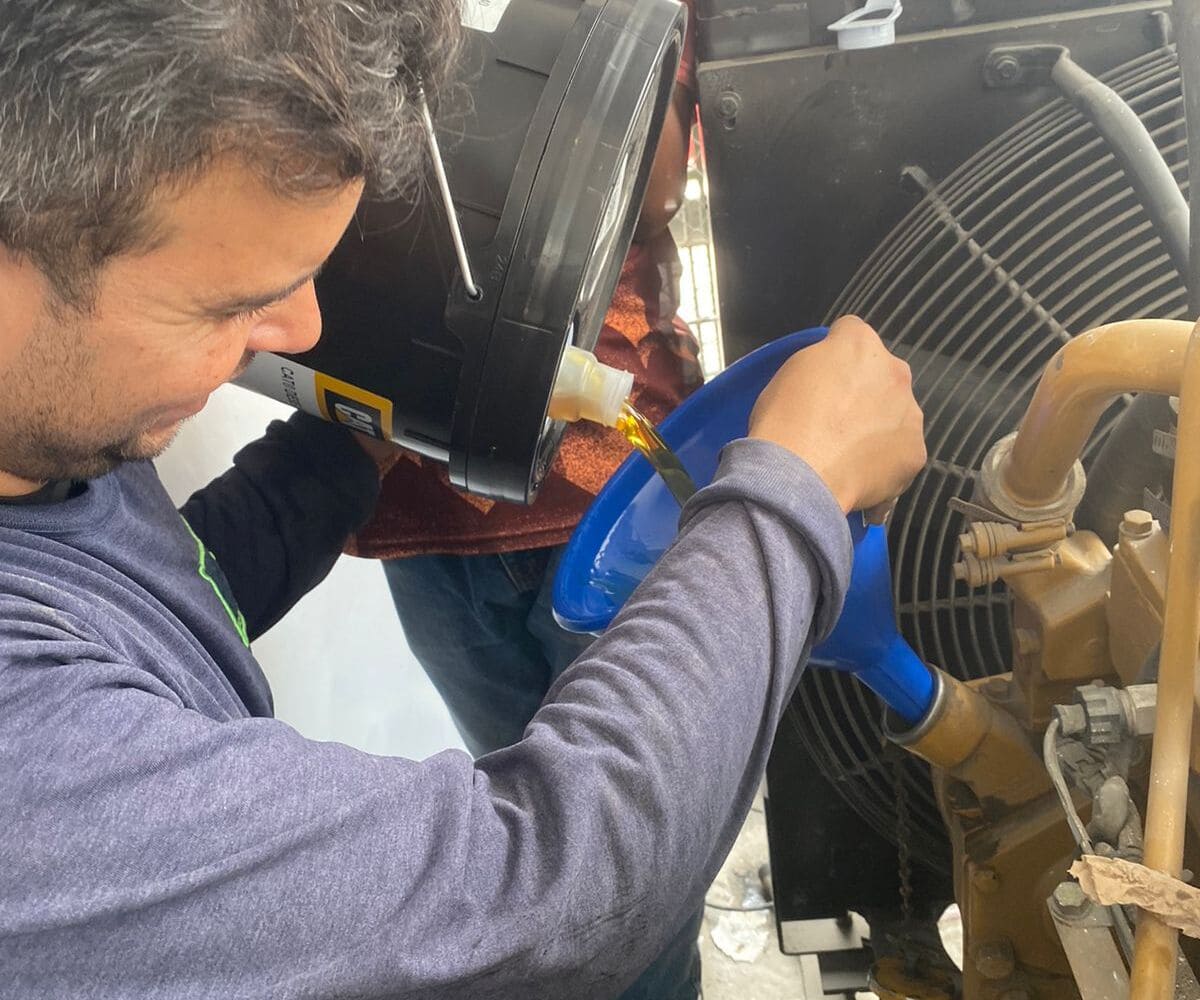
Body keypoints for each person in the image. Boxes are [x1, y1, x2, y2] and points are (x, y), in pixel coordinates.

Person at [0, 3, 927, 999]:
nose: (302, 328)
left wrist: (349, 450)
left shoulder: (46, 452)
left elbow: (162, 589)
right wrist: (791, 490)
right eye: (229, 303)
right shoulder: (30, 765)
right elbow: (546, 893)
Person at [353, 8, 704, 992]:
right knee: (529, 829)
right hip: (414, 496)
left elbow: (655, 185)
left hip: (605, 491)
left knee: (636, 844)